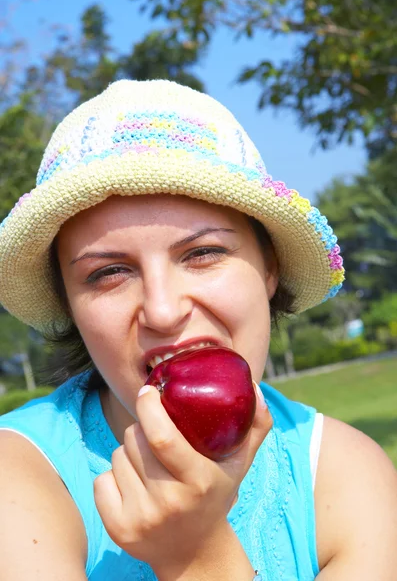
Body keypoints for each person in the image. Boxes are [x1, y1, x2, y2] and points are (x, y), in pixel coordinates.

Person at [0, 79, 395, 581]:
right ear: (70, 306)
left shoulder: (345, 475)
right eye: (108, 273)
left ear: (269, 268)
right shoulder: (18, 477)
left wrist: (199, 554)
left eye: (203, 253)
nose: (163, 312)